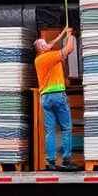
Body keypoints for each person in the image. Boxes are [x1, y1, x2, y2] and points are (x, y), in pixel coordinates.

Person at [34, 27, 79, 171]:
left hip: (45, 97)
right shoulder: (50, 56)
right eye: (45, 43)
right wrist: (70, 35)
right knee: (66, 128)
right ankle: (66, 160)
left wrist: (61, 34)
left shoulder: (39, 59)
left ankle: (51, 162)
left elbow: (51, 43)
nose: (48, 44)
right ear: (42, 47)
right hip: (58, 95)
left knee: (50, 131)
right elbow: (70, 48)